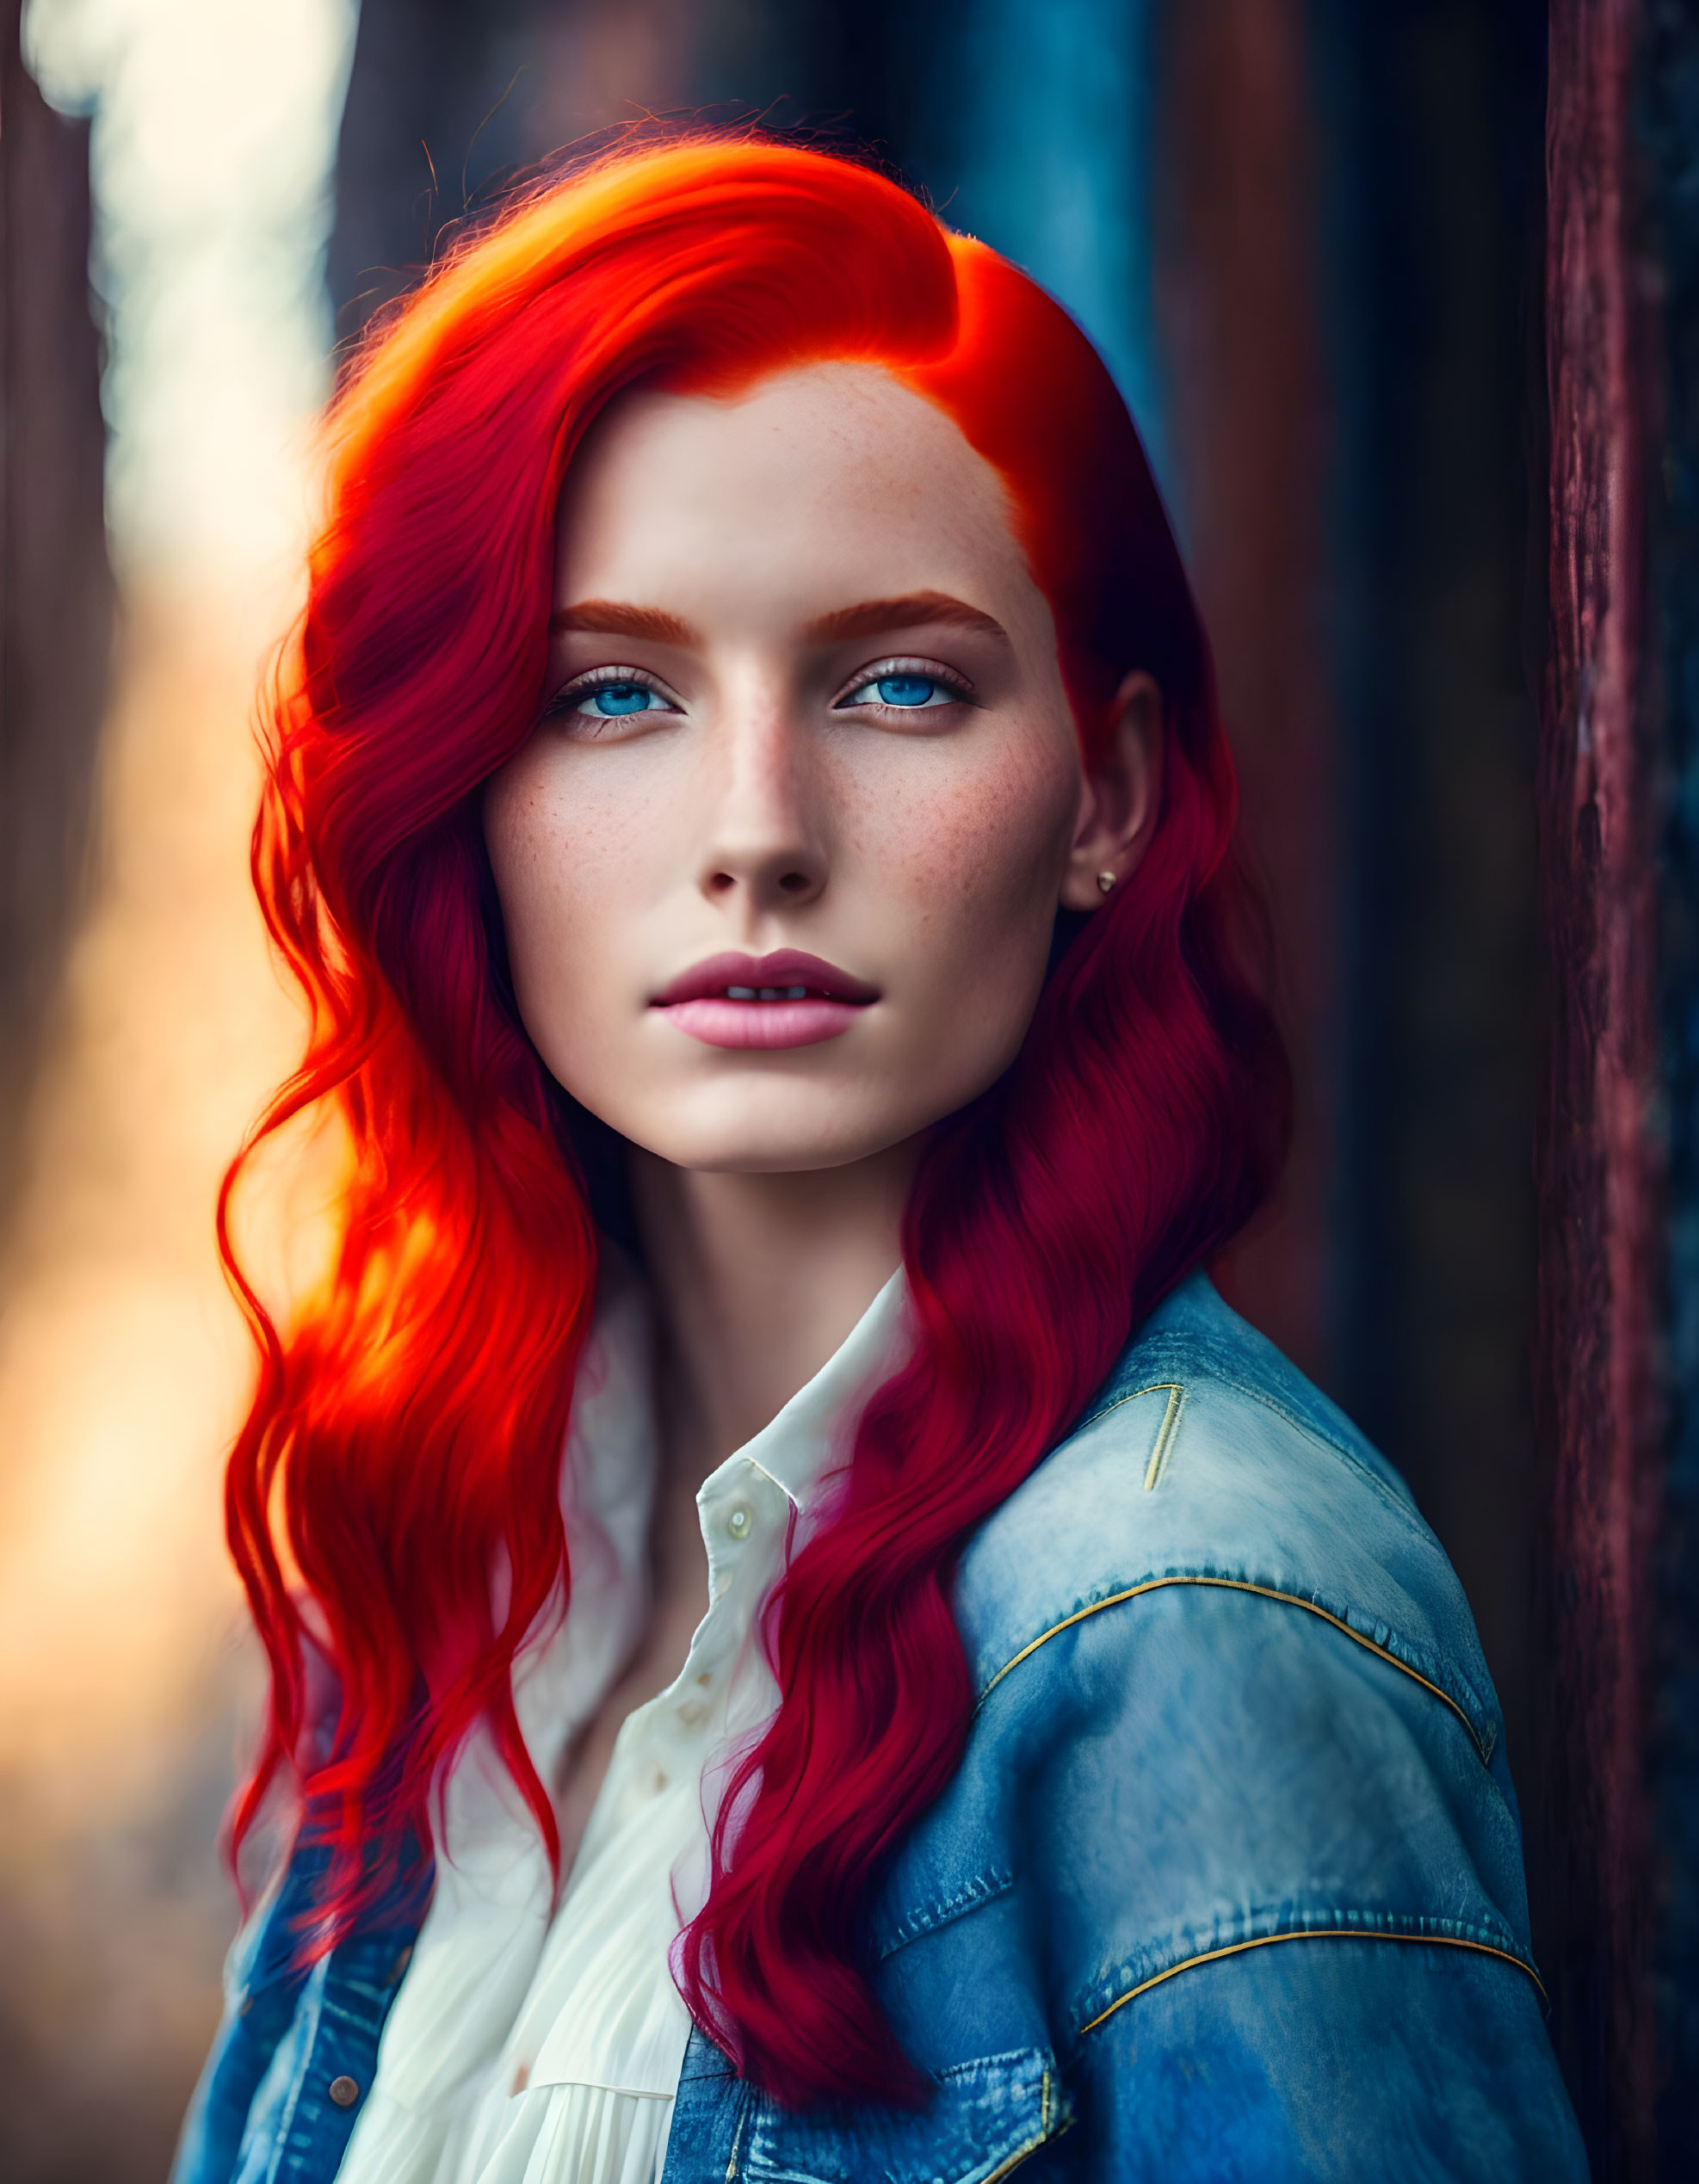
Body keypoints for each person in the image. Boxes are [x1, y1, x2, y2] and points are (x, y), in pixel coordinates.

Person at [172, 134, 1586, 2184]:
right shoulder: (460, 1567)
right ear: (461, 787)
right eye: (615, 693)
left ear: (1102, 794)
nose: (759, 828)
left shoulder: (1197, 1623)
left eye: (900, 683)